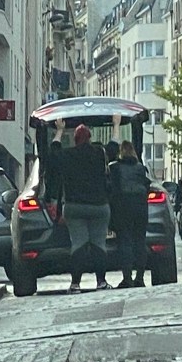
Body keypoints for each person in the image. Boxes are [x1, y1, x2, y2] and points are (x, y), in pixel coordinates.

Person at [50, 119, 112, 293]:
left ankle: (75, 284)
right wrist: (115, 125)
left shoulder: (68, 155)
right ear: (90, 138)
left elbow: (53, 153)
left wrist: (60, 130)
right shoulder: (99, 153)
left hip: (74, 206)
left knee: (78, 244)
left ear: (75, 139)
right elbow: (114, 148)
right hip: (99, 206)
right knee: (99, 244)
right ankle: (101, 281)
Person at [109, 140, 151, 289]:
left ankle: (127, 278)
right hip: (140, 207)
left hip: (123, 207)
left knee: (125, 241)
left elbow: (111, 187)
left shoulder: (114, 167)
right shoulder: (140, 168)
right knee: (140, 241)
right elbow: (146, 185)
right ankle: (140, 277)